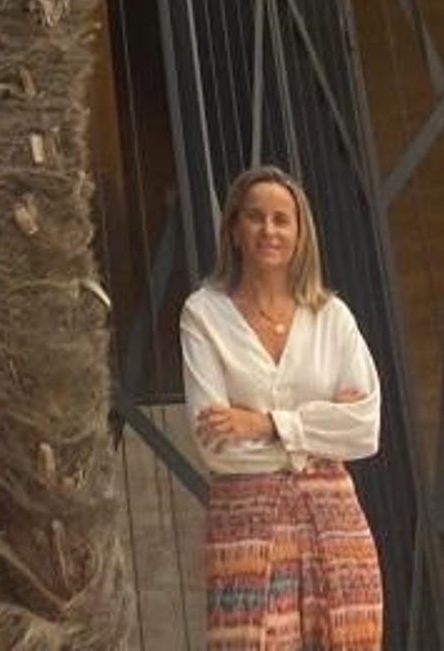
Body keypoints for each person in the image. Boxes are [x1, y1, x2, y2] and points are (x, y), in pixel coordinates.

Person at [179, 166, 385, 649]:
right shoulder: (203, 314)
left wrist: (264, 424)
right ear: (233, 228)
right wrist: (320, 428)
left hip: (336, 521)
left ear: (299, 232)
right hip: (245, 521)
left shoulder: (331, 317)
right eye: (255, 217)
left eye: (281, 219)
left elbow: (364, 429)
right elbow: (216, 447)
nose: (268, 230)